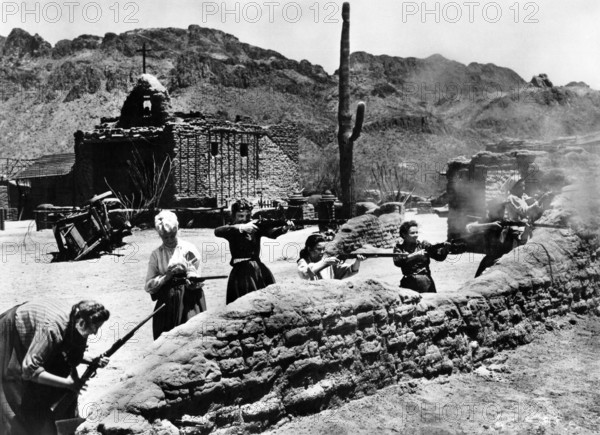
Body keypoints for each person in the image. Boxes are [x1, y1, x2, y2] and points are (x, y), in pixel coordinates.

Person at [0, 299, 110, 435]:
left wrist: (91, 360)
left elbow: (71, 353)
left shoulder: (78, 322)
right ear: (81, 323)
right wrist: (67, 383)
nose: (95, 334)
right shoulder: (51, 328)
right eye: (94, 329)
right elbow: (30, 370)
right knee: (14, 389)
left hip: (40, 330)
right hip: (13, 329)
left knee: (58, 378)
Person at [215, 199, 292, 304]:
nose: (244, 219)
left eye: (246, 216)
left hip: (256, 268)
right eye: (240, 216)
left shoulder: (254, 226)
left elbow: (271, 234)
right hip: (240, 270)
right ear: (234, 216)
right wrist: (242, 228)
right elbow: (218, 231)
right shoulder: (232, 229)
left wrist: (284, 229)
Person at [145, 210, 205, 340]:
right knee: (167, 337)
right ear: (160, 236)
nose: (170, 239)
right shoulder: (157, 254)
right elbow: (148, 285)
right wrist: (166, 276)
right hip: (167, 302)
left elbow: (195, 270)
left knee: (190, 335)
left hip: (189, 299)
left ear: (177, 229)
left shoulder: (187, 249)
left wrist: (191, 278)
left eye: (173, 235)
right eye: (165, 237)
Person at [393, 220, 448, 293]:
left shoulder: (423, 245)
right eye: (412, 233)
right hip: (408, 283)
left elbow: (438, 257)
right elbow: (397, 262)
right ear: (404, 235)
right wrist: (414, 255)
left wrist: (445, 250)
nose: (416, 235)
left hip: (425, 282)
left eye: (416, 232)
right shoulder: (399, 248)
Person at [466, 198, 514, 277]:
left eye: (503, 208)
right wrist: (491, 225)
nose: (503, 211)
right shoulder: (488, 219)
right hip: (490, 259)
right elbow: (470, 227)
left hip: (503, 259)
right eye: (500, 208)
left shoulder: (504, 221)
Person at [297, 234, 365, 280]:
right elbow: (305, 274)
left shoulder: (327, 260)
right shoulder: (303, 262)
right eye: (319, 249)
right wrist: (326, 263)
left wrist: (358, 261)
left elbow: (350, 270)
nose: (322, 252)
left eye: (324, 249)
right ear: (309, 249)